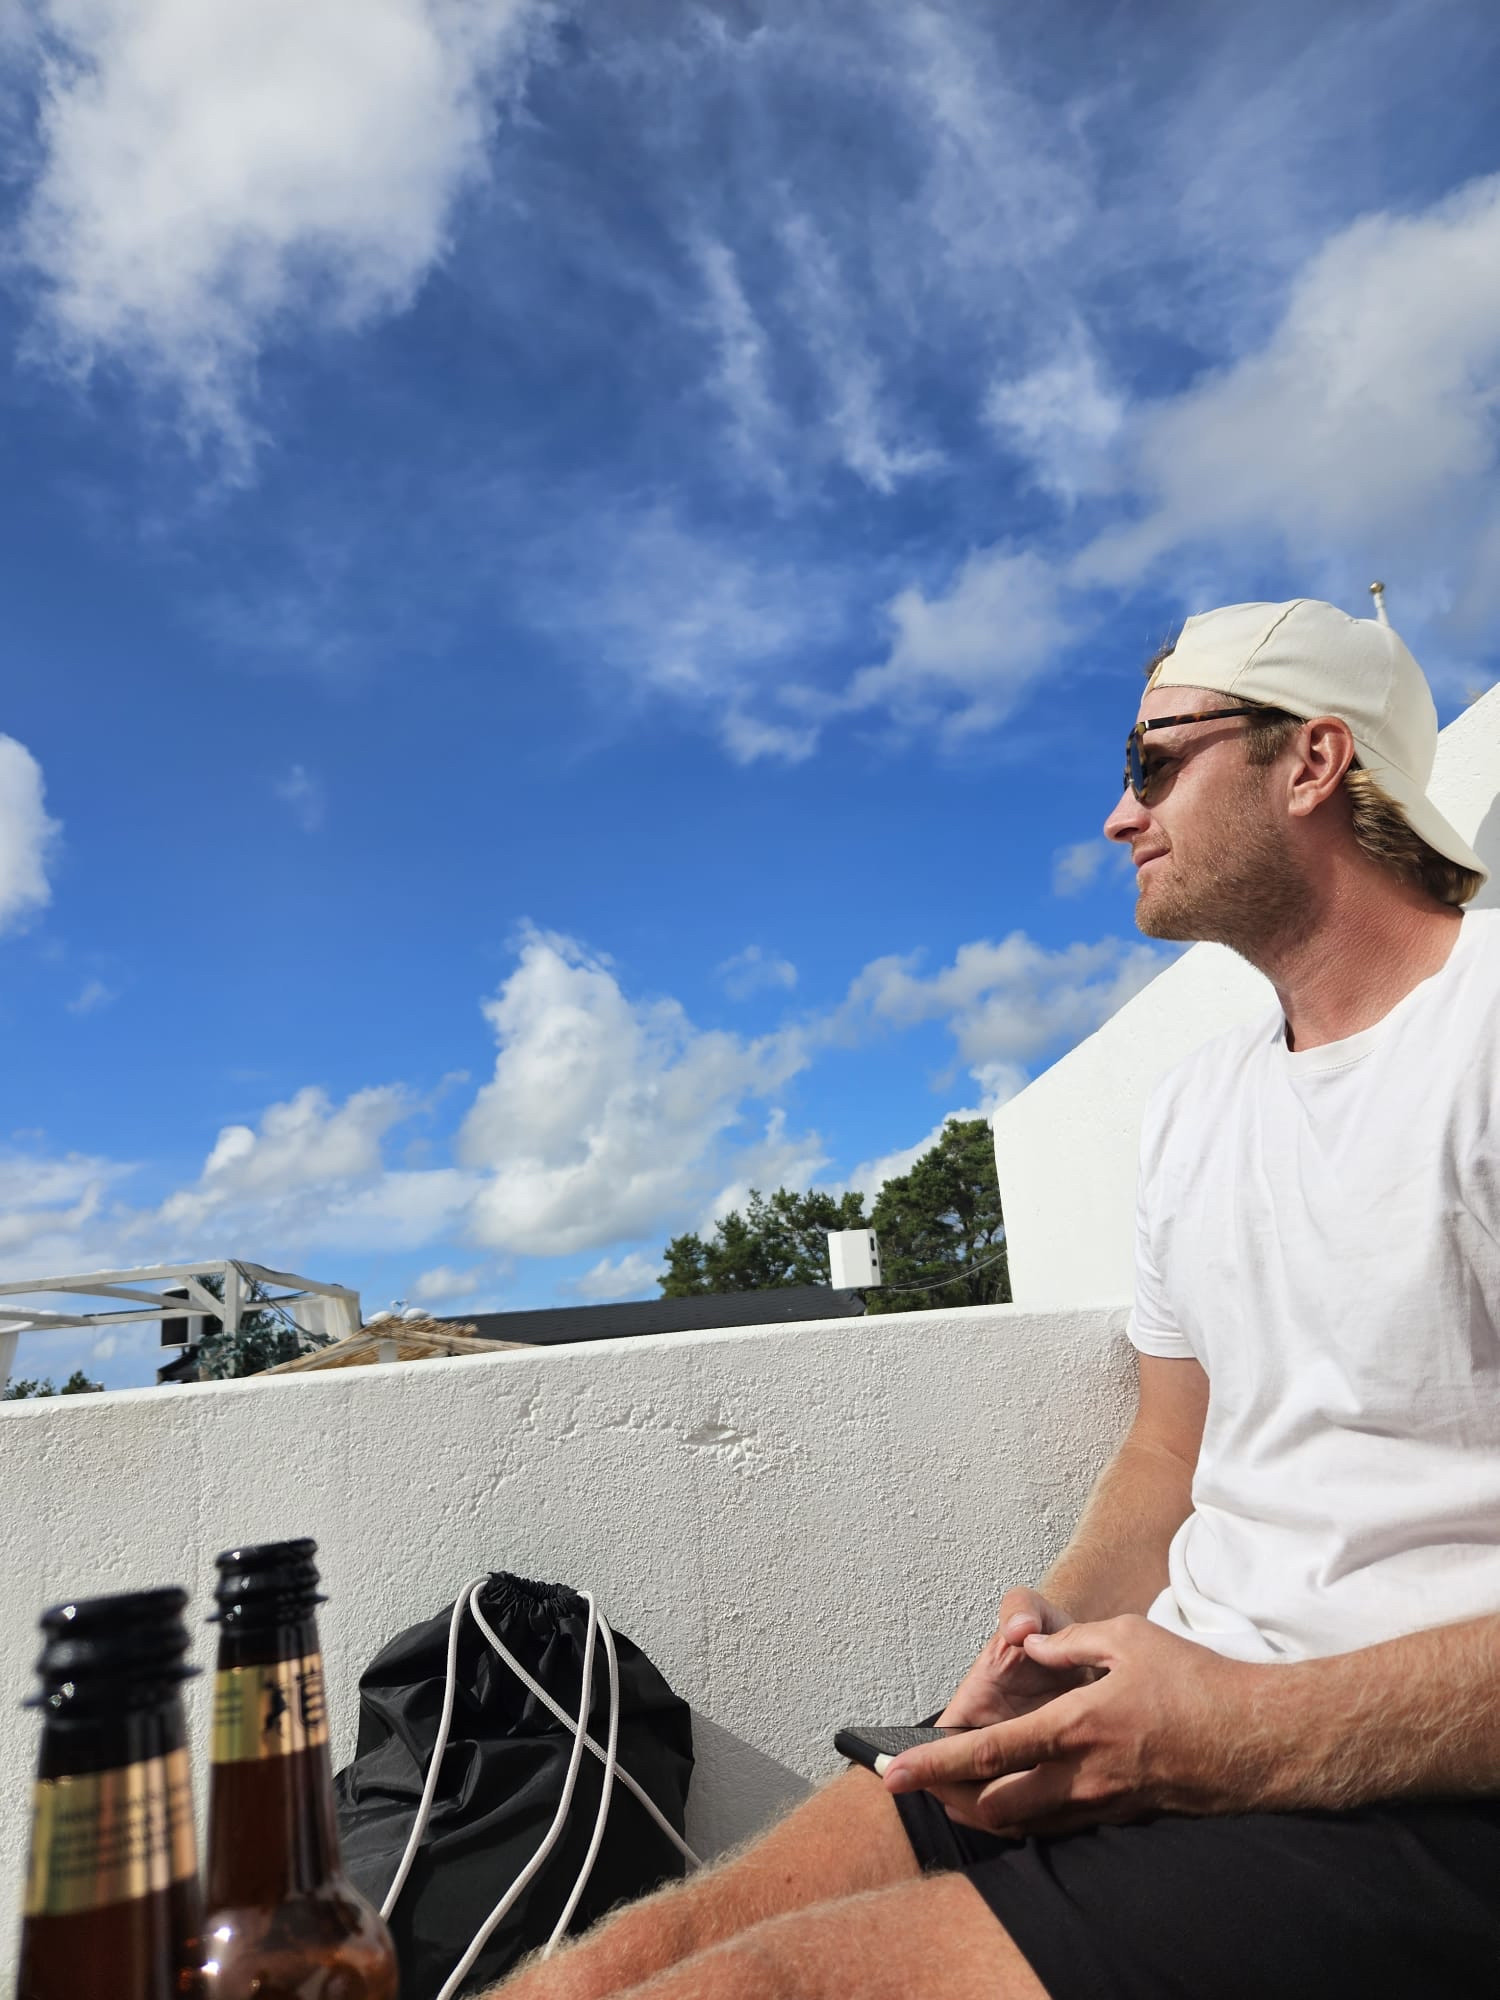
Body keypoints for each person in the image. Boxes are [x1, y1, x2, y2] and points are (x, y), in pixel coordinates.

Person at [488, 598, 1500, 2000]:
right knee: (602, 1969)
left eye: (1153, 763)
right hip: (1164, 1716)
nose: (1118, 815)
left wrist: (1247, 1732)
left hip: (1415, 1790)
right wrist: (1049, 1637)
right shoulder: (1199, 1106)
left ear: (1312, 762)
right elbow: (1170, 1451)